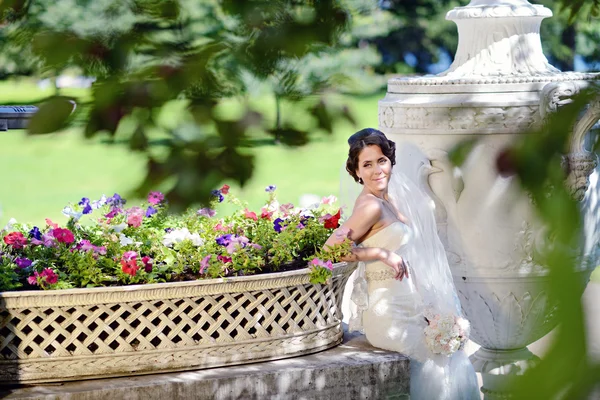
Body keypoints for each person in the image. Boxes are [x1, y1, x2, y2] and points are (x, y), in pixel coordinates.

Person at [324, 128, 480, 399]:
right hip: (388, 312)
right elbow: (329, 250)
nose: (377, 170)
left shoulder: (389, 200)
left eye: (381, 160)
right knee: (439, 363)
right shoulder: (369, 206)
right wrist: (381, 254)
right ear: (356, 171)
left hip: (409, 306)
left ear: (390, 161)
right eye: (367, 164)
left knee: (451, 356)